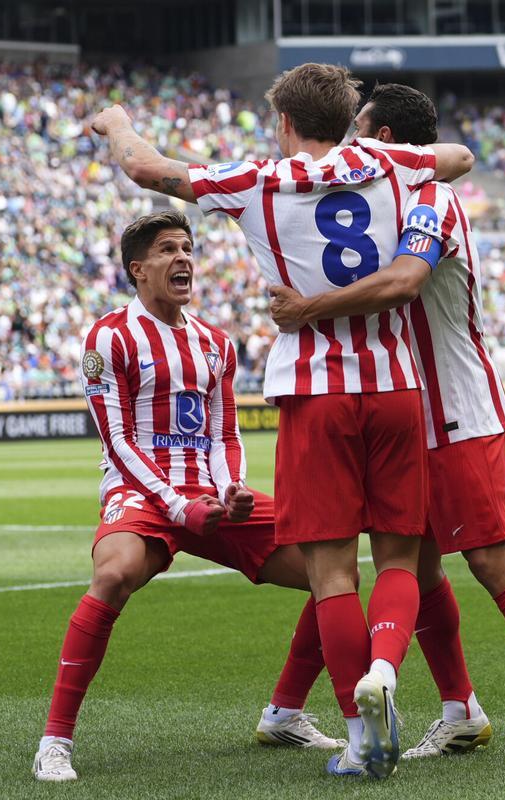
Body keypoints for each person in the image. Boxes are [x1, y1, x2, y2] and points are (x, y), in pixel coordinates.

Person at [91, 63, 475, 779]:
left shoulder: (258, 180)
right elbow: (457, 158)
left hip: (314, 390)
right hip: (395, 385)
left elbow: (146, 168)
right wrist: (407, 159)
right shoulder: (388, 161)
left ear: (287, 124)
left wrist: (113, 122)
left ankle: (361, 741)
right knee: (400, 557)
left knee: (331, 575)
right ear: (346, 116)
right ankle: (386, 670)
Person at [269, 82, 505, 769]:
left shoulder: (430, 201)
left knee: (489, 559)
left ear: (384, 138)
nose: (349, 145)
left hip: (457, 410)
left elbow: (403, 283)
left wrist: (310, 310)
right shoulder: (382, 198)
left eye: (359, 131)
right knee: (417, 567)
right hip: (411, 413)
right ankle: (459, 710)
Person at [32, 211, 344, 782]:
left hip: (210, 495)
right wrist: (178, 507)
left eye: (187, 248)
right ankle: (55, 741)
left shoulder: (214, 344)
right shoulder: (109, 337)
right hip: (142, 492)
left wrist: (231, 488)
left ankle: (286, 712)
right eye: (167, 250)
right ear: (138, 269)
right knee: (113, 574)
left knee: (332, 569)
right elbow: (117, 439)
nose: (183, 259)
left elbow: (225, 434)